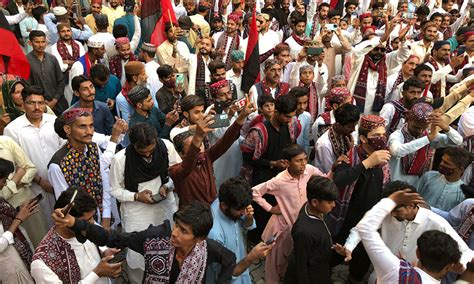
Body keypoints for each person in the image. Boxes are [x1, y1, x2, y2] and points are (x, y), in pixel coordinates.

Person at [52, 200, 236, 283]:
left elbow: (230, 260)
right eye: (177, 225)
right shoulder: (154, 239)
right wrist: (75, 223)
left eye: (184, 231)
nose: (175, 233)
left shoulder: (208, 250)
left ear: (199, 238)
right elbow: (113, 238)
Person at [108, 122, 181, 283]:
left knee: (169, 247)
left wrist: (167, 186)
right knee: (138, 256)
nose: (148, 155)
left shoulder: (166, 146)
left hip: (164, 208)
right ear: (133, 145)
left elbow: (177, 172)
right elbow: (114, 190)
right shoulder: (120, 159)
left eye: (151, 150)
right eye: (143, 152)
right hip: (136, 214)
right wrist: (136, 196)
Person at [252, 144, 331, 283]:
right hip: (283, 227)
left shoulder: (309, 170)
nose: (303, 164)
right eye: (299, 160)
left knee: (290, 258)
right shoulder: (279, 181)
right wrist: (270, 208)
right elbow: (255, 192)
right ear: (287, 163)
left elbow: (325, 180)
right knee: (274, 261)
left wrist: (335, 169)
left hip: (300, 227)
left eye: (305, 159)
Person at [331, 115, 392, 283]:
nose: (382, 139)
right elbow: (339, 181)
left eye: (383, 134)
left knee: (362, 260)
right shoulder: (349, 158)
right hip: (347, 218)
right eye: (376, 135)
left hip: (371, 220)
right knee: (336, 252)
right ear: (364, 138)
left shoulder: (384, 160)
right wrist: (367, 163)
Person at [356, 188, 462, 283]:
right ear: (448, 267)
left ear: (418, 253)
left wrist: (391, 200)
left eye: (397, 210)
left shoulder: (396, 270)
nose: (392, 214)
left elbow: (365, 227)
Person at [169, 94, 254, 208]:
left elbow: (225, 140)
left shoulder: (205, 157)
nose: (199, 149)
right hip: (192, 217)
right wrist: (198, 136)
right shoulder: (176, 171)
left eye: (201, 145)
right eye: (194, 147)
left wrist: (242, 116)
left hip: (212, 212)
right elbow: (188, 163)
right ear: (181, 154)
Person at [240, 94, 299, 243]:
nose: (289, 120)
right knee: (261, 214)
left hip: (283, 180)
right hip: (262, 180)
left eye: (292, 116)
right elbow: (247, 158)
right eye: (287, 116)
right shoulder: (258, 132)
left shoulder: (290, 126)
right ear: (277, 112)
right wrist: (273, 164)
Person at [31, 188, 123, 283]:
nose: (92, 224)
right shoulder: (41, 263)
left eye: (92, 218)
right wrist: (97, 273)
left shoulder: (87, 227)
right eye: (87, 221)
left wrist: (104, 252)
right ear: (66, 220)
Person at [4, 85, 61, 227]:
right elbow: (18, 165)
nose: (37, 107)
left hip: (60, 182)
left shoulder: (54, 122)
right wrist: (41, 181)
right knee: (44, 226)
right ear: (23, 104)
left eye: (40, 103)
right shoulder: (13, 129)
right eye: (31, 103)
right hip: (34, 189)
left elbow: (64, 149)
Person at [48, 108, 112, 229]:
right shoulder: (57, 165)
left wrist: (106, 218)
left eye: (91, 126)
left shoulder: (93, 148)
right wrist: (93, 227)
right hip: (81, 226)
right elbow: (68, 207)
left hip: (103, 215)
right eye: (82, 126)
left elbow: (104, 183)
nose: (89, 131)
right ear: (68, 129)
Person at [207, 177, 273, 284]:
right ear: (224, 205)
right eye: (240, 210)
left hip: (242, 270)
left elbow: (245, 225)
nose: (243, 212)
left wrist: (249, 218)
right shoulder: (214, 235)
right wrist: (251, 257)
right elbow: (224, 275)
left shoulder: (232, 206)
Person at [388, 102, 463, 186]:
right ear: (408, 119)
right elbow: (396, 151)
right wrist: (427, 139)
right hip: (394, 184)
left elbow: (457, 141)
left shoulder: (428, 135)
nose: (420, 131)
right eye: (416, 127)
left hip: (416, 186)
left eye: (423, 128)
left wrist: (445, 127)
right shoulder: (397, 135)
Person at [284, 176, 338, 284]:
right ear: (314, 202)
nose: (334, 205)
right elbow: (301, 266)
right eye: (329, 202)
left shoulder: (319, 210)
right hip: (312, 274)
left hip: (322, 265)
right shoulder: (303, 231)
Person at [0, 157, 38, 284]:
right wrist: (18, 219)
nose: (5, 184)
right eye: (4, 180)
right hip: (8, 262)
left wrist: (20, 211)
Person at [26, 30, 67, 114]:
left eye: (43, 42)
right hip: (39, 106)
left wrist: (54, 100)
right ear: (30, 43)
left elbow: (61, 81)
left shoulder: (52, 59)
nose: (41, 45)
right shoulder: (26, 61)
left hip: (59, 103)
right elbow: (27, 86)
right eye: (37, 42)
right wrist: (43, 102)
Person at [418, 147, 471, 211]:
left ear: (460, 169)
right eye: (442, 160)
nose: (441, 164)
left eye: (446, 163)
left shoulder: (462, 192)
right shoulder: (428, 176)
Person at [314, 103, 360, 174]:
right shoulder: (324, 145)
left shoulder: (344, 135)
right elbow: (328, 171)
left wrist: (351, 149)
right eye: (350, 127)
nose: (354, 130)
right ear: (338, 125)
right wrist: (350, 151)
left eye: (355, 126)